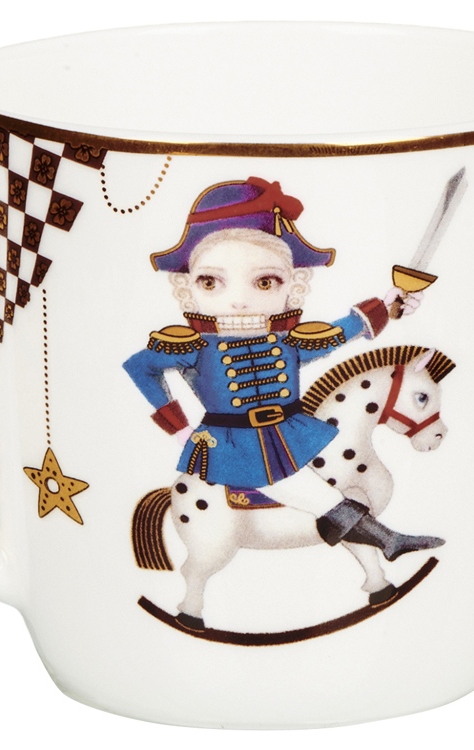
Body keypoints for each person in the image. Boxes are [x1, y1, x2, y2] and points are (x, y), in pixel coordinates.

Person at [123, 177, 442, 560]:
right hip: (233, 443)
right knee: (310, 492)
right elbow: (140, 368)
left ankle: (383, 542)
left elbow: (342, 332)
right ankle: (387, 541)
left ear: (293, 284)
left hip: (286, 434)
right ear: (188, 286)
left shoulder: (288, 341)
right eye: (211, 281)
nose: (239, 300)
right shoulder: (193, 346)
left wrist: (387, 306)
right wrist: (178, 427)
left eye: (264, 281)